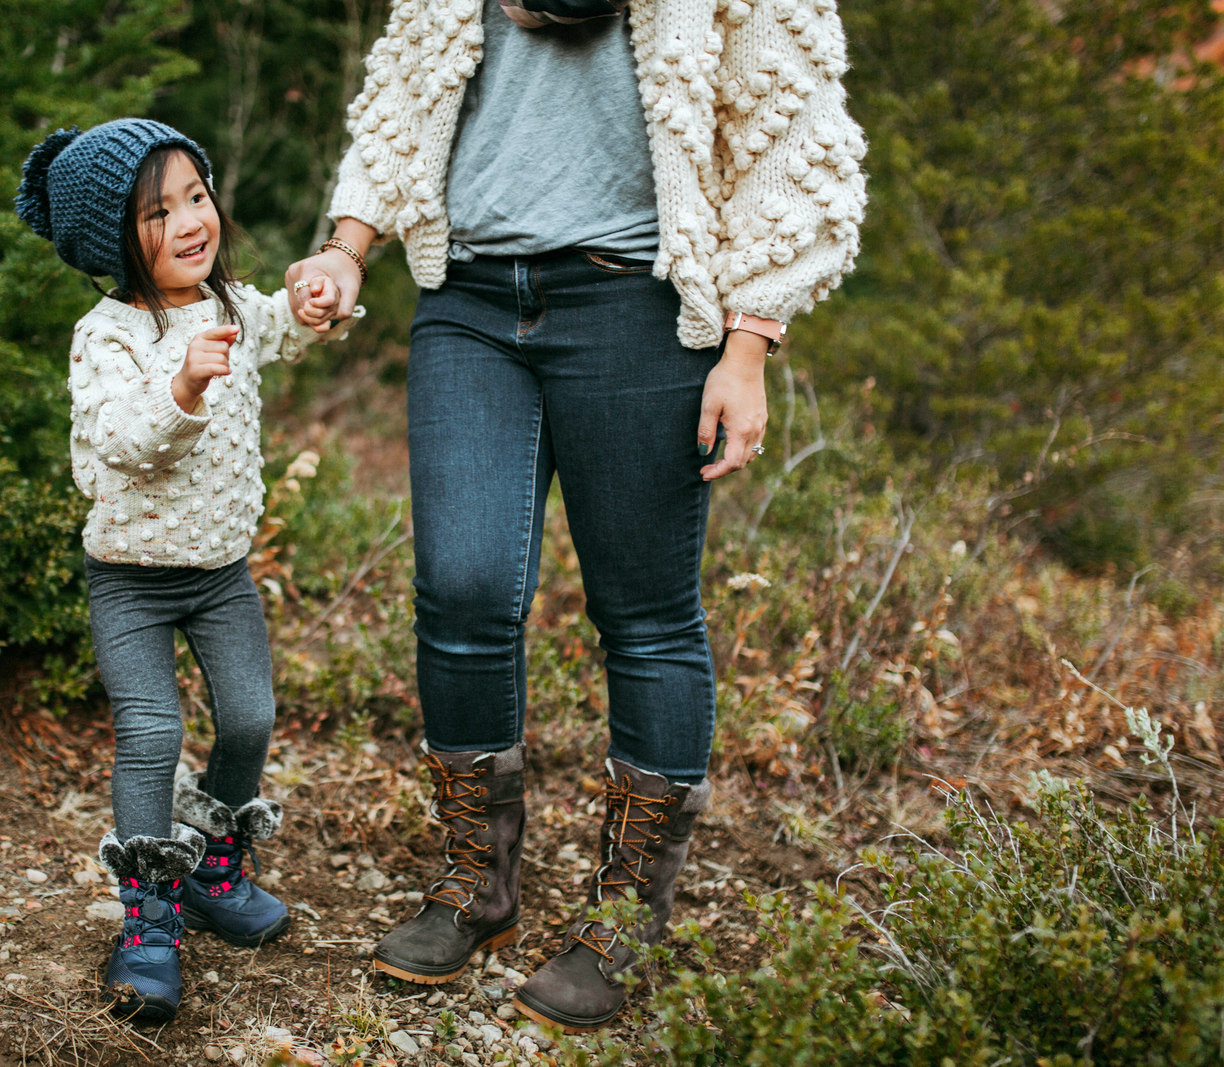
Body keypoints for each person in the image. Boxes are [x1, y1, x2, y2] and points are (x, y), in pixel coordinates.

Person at [285, 0, 866, 1032]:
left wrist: (748, 345)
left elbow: (795, 137)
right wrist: (347, 246)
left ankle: (625, 918)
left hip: (635, 303)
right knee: (461, 588)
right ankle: (479, 882)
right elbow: (405, 91)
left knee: (643, 610)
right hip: (466, 302)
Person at [14, 118, 358, 1022]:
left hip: (219, 572)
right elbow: (110, 450)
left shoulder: (232, 305)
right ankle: (148, 921)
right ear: (113, 240)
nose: (190, 221)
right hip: (129, 577)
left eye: (195, 196)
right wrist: (183, 387)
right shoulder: (106, 335)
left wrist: (318, 299)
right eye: (158, 212)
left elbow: (284, 326)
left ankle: (212, 868)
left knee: (249, 716)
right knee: (152, 730)